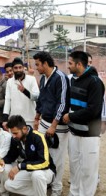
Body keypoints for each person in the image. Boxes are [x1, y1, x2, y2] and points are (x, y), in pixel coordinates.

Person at [62, 51, 105, 196]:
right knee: (75, 168)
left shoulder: (95, 82)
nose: (68, 66)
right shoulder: (73, 80)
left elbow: (93, 110)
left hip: (90, 134)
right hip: (74, 132)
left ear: (79, 64)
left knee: (88, 171)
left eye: (70, 63)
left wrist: (71, 116)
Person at [33, 51, 70, 196]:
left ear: (45, 63)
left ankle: (56, 189)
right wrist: (37, 117)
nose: (36, 68)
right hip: (43, 122)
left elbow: (62, 103)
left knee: (57, 158)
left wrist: (54, 125)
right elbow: (41, 99)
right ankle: (48, 182)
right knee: (44, 154)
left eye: (37, 64)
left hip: (58, 126)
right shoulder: (43, 78)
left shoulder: (60, 78)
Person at [4, 115, 56, 196]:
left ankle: (40, 190)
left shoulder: (38, 137)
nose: (13, 136)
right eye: (12, 133)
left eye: (15, 133)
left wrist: (20, 166)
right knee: (8, 185)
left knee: (37, 175)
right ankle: (39, 191)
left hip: (46, 171)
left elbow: (45, 163)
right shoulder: (16, 139)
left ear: (24, 129)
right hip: (30, 169)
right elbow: (11, 156)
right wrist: (1, 161)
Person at [3, 57, 39, 128]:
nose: (18, 69)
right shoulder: (9, 82)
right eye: (16, 68)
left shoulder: (32, 79)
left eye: (20, 67)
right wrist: (5, 118)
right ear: (13, 69)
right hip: (14, 119)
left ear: (23, 68)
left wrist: (25, 91)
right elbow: (7, 100)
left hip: (29, 119)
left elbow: (36, 97)